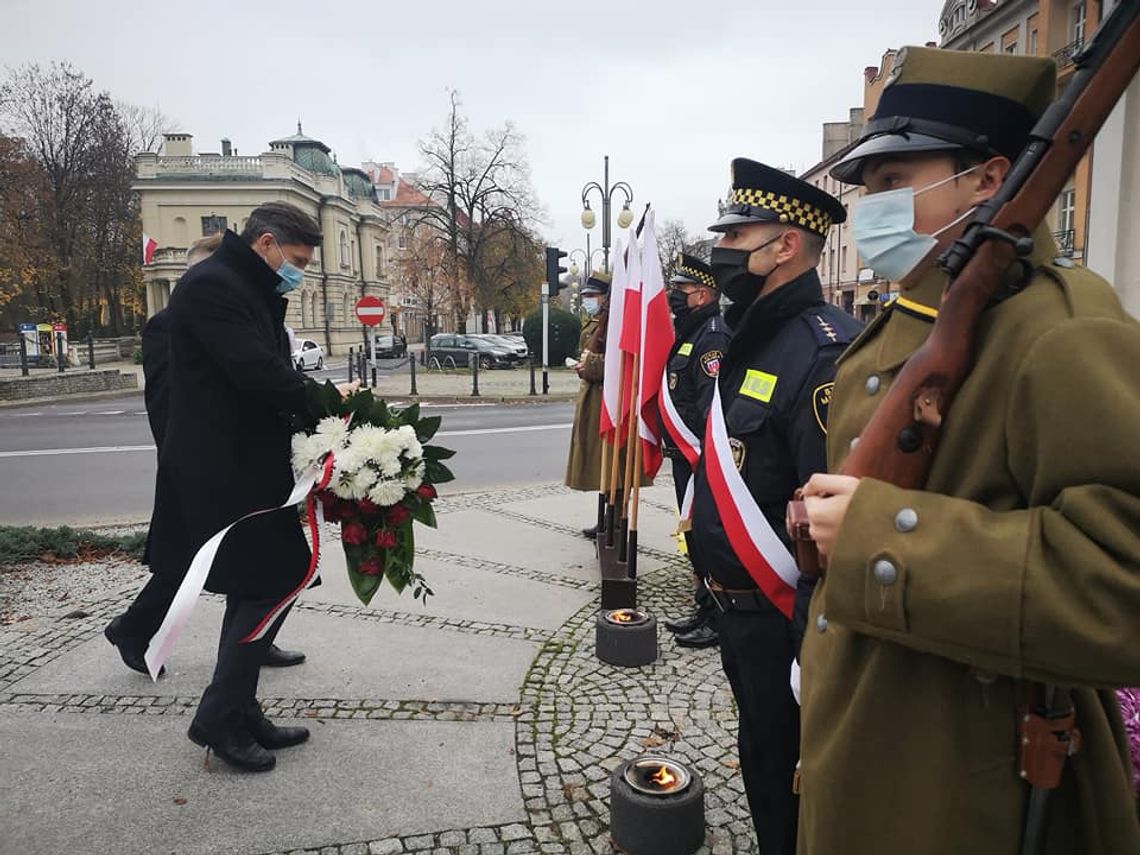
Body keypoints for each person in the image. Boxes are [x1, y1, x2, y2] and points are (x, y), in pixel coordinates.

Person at [796, 47, 1140, 854]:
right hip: (869, 751)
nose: (869, 209)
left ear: (988, 180)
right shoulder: (915, 316)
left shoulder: (1060, 326)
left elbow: (1123, 576)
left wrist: (880, 538)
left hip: (968, 791)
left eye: (893, 182)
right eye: (868, 186)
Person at [689, 158, 860, 854]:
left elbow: (828, 528)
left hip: (779, 623)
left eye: (738, 235)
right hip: (736, 613)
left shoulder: (823, 354)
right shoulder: (749, 340)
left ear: (785, 245)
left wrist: (807, 651)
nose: (723, 251)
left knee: (790, 777)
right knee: (762, 760)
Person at [148, 202, 352, 773]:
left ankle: (239, 710)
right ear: (265, 244)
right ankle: (218, 717)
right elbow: (256, 372)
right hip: (223, 469)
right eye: (297, 260)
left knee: (259, 585)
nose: (300, 272)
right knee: (271, 582)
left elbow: (265, 367)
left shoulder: (240, 283)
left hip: (244, 462)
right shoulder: (214, 286)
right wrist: (327, 403)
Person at [105, 232, 305, 676]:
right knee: (191, 563)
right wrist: (185, 458)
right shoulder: (170, 322)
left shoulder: (246, 310)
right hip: (202, 463)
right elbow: (166, 398)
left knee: (243, 563)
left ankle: (253, 644)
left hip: (238, 459)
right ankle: (134, 629)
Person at [658, 254, 730, 650]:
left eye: (680, 291)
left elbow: (710, 404)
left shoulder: (712, 337)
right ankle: (704, 609)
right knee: (694, 537)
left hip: (700, 456)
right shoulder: (691, 331)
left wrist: (702, 456)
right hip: (684, 455)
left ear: (702, 295)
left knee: (705, 536)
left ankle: (717, 618)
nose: (673, 297)